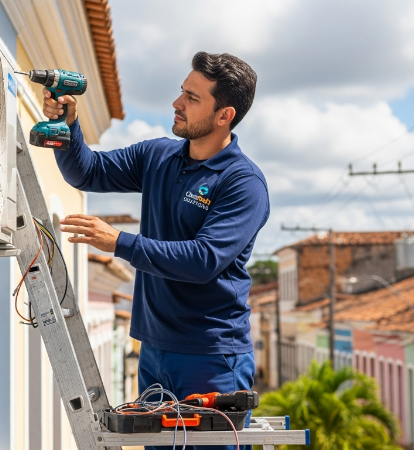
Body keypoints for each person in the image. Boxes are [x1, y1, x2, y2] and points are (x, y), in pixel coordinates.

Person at [45, 51, 268, 449]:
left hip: (211, 358)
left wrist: (119, 242)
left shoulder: (243, 183)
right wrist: (69, 126)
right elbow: (87, 171)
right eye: (182, 91)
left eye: (193, 98)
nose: (177, 103)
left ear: (224, 115)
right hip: (154, 349)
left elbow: (204, 261)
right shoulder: (158, 156)